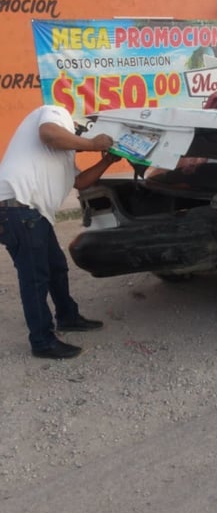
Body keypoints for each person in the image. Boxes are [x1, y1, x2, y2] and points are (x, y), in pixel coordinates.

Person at [0, 104, 118, 360]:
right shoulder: (55, 113)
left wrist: (107, 160)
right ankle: (41, 341)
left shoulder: (62, 156)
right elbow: (50, 135)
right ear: (77, 128)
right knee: (35, 277)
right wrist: (93, 143)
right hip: (17, 208)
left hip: (33, 214)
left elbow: (80, 182)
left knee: (56, 268)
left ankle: (67, 316)